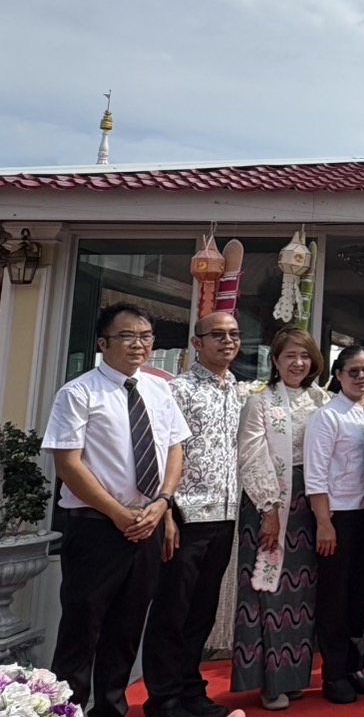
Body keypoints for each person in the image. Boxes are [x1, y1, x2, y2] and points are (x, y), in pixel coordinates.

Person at [43, 304, 189, 717]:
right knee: (81, 628)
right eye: (128, 336)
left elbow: (174, 449)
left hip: (148, 524)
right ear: (103, 343)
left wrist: (162, 505)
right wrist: (116, 513)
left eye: (146, 335)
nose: (139, 344)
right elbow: (68, 465)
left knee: (126, 630)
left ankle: (110, 710)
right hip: (96, 528)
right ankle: (65, 709)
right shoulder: (78, 392)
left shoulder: (160, 390)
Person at [142, 311, 249, 717]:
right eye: (217, 335)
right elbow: (162, 452)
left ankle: (191, 690)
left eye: (234, 334)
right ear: (196, 342)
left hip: (224, 516)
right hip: (185, 516)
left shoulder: (236, 389)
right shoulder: (179, 390)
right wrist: (166, 510)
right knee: (172, 610)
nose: (227, 341)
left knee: (201, 610)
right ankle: (164, 699)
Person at [233, 328, 331, 710]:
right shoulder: (261, 403)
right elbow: (251, 456)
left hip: (311, 503)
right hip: (270, 502)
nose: (297, 363)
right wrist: (268, 509)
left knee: (302, 594)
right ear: (275, 360)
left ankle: (293, 677)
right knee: (267, 590)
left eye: (304, 357)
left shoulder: (321, 399)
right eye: (289, 356)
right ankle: (267, 681)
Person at [304, 345, 364, 704]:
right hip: (337, 516)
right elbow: (315, 474)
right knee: (334, 596)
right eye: (354, 371)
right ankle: (333, 673)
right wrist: (324, 522)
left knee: (358, 594)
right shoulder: (328, 416)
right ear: (338, 374)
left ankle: (354, 666)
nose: (362, 377)